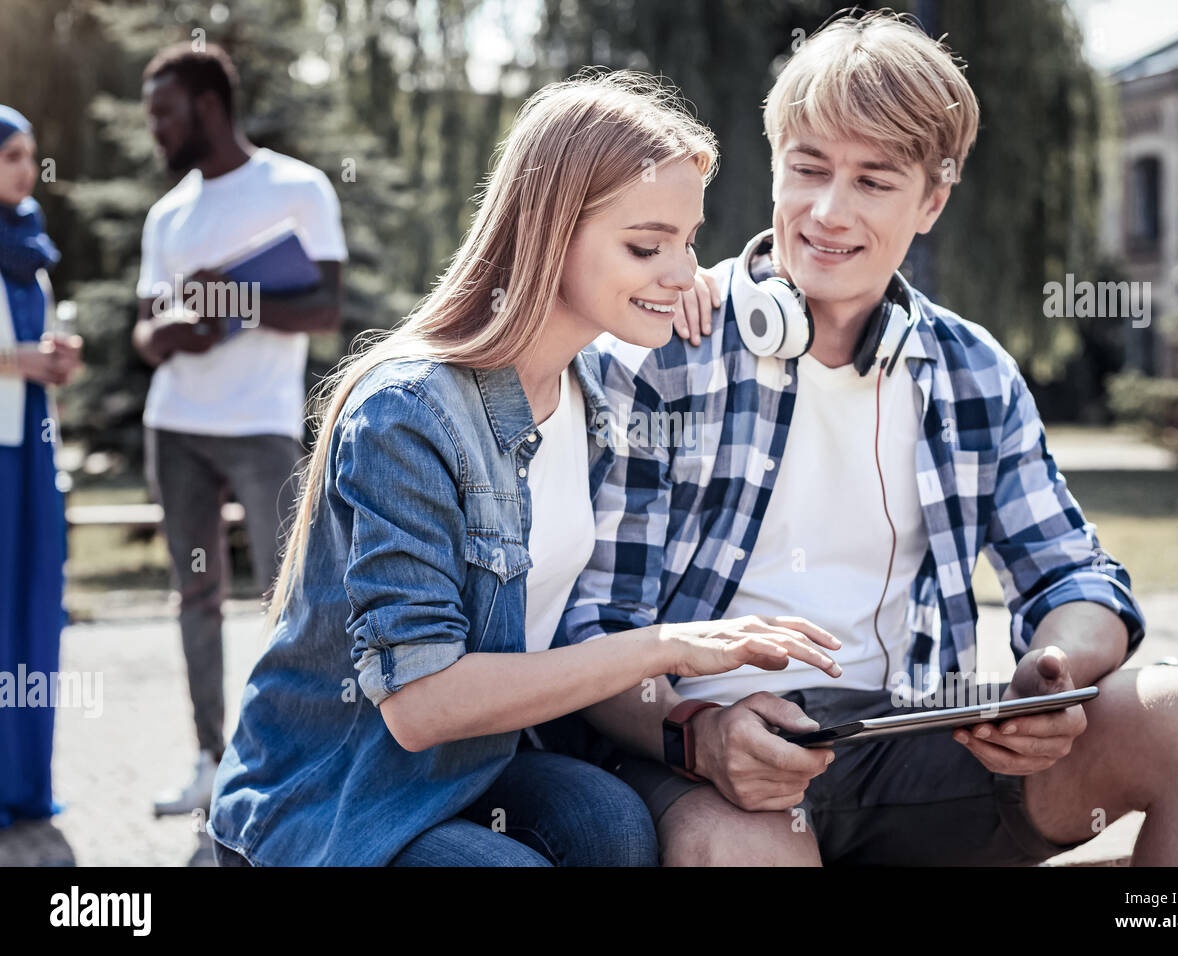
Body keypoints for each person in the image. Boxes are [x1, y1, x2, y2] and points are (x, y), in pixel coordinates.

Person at [552, 11, 1178, 865]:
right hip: (699, 758)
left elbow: (1074, 575)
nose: (828, 212)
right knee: (745, 843)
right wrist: (698, 734)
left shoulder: (971, 370)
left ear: (932, 199)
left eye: (874, 181)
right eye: (807, 168)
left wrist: (1051, 676)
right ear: (773, 169)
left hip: (909, 744)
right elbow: (592, 630)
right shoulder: (661, 348)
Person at [206, 70, 840, 867]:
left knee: (613, 826)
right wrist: (665, 646)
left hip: (477, 767)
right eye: (646, 245)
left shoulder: (596, 394)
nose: (683, 273)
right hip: (341, 791)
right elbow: (421, 704)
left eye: (688, 241)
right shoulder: (411, 412)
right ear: (548, 233)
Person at [130, 44, 348, 816]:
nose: (153, 127)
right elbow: (145, 329)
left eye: (164, 111)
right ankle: (208, 759)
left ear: (209, 107)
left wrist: (236, 303)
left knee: (289, 595)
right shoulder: (170, 213)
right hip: (177, 425)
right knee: (195, 594)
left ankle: (287, 761)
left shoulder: (298, 188)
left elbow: (324, 312)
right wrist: (168, 334)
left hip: (260, 425)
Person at [0, 104, 83, 828]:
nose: (27, 169)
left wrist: (58, 356)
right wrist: (13, 362)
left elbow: (38, 341)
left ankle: (23, 783)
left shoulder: (30, 246)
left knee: (31, 609)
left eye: (30, 154)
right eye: (12, 155)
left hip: (31, 447)